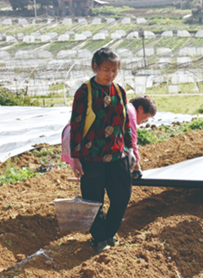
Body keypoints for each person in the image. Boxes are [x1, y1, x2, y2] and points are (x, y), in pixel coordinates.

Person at [70, 47, 135, 253]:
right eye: (106, 69)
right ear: (95, 67)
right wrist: (76, 157)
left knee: (122, 196)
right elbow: (76, 125)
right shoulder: (84, 92)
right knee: (93, 199)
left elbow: (125, 124)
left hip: (118, 154)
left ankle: (109, 232)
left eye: (115, 70)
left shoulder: (120, 91)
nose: (111, 74)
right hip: (92, 155)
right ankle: (99, 239)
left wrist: (130, 149)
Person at [127, 96, 157, 179]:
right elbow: (132, 139)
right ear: (140, 108)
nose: (147, 120)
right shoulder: (131, 111)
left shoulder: (127, 107)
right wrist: (136, 167)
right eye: (148, 115)